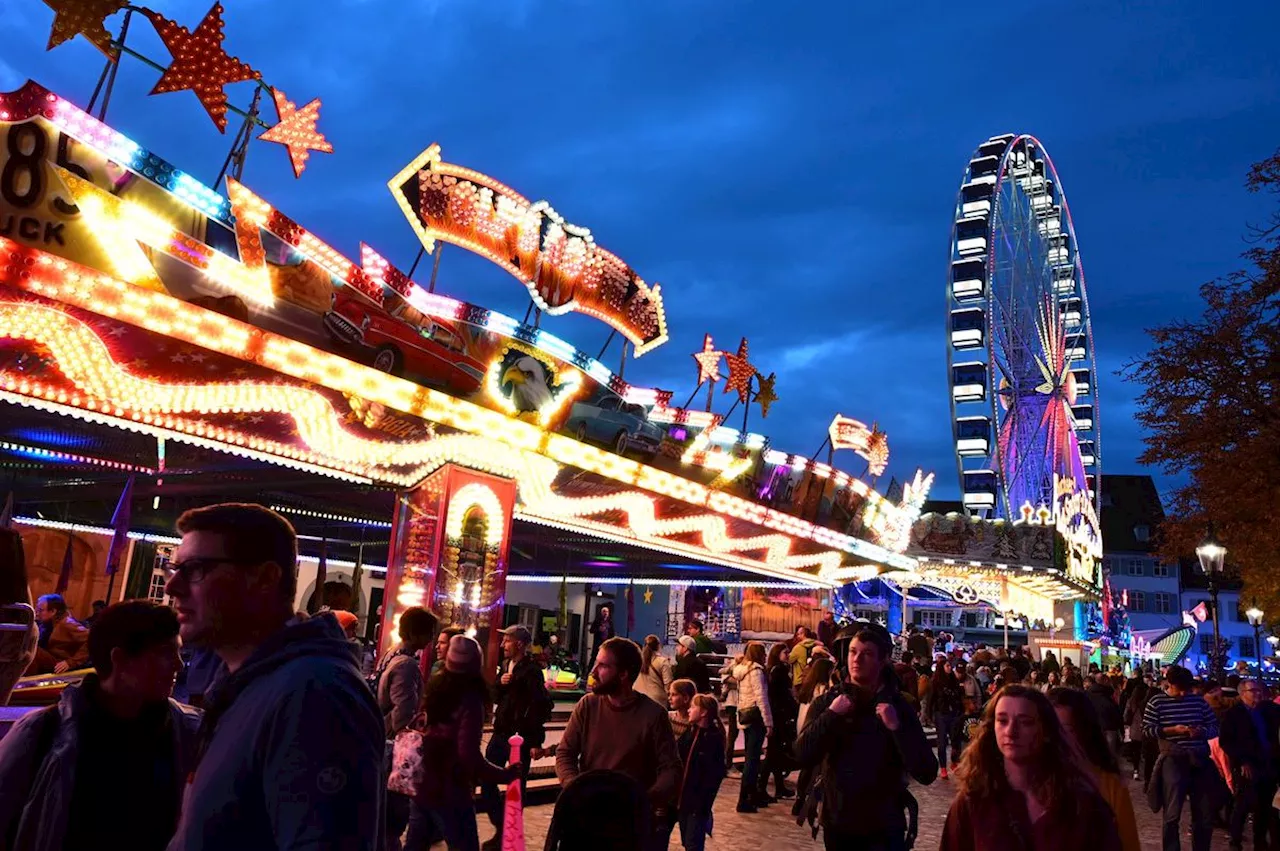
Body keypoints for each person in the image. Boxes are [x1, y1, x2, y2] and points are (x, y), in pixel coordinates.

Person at [162, 503, 384, 850]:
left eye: (196, 569)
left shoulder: (315, 695)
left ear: (265, 578)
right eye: (173, 568)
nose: (172, 586)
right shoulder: (246, 681)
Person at [0, 600, 200, 851]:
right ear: (121, 659)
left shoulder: (191, 732)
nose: (178, 665)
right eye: (165, 653)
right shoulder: (39, 733)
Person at [795, 625, 937, 849]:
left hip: (884, 828)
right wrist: (831, 716)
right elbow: (801, 754)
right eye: (853, 652)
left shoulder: (899, 707)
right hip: (839, 825)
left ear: (883, 661)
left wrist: (896, 728)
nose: (857, 659)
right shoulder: (828, 702)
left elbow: (926, 771)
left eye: (867, 654)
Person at [941, 685, 1123, 851]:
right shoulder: (972, 803)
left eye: (1025, 722)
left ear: (1045, 730)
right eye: (1002, 721)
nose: (1011, 732)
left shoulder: (1083, 805)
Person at [555, 637, 682, 851]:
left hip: (628, 825)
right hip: (588, 816)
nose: (594, 672)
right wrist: (574, 786)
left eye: (603, 665)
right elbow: (565, 753)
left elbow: (671, 768)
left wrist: (642, 800)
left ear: (623, 674)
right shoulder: (587, 706)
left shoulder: (653, 715)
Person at [408, 635, 517, 851]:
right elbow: (467, 755)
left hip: (421, 783)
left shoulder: (435, 691)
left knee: (415, 844)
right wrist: (504, 774)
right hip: (450, 789)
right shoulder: (471, 701)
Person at [480, 625, 550, 851]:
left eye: (507, 641)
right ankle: (501, 826)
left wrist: (536, 740)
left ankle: (509, 832)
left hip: (520, 736)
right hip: (501, 732)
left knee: (516, 786)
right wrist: (501, 683)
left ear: (519, 644)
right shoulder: (505, 667)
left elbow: (539, 706)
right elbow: (495, 695)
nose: (502, 645)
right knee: (487, 779)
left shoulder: (531, 672)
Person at [373, 606, 438, 851]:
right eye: (429, 632)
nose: (432, 638)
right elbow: (403, 713)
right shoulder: (407, 666)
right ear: (416, 633)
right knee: (395, 814)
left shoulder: (390, 654)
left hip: (385, 741)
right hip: (396, 748)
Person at [1048, 688, 1142, 851]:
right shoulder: (1026, 781)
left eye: (1065, 729)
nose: (1054, 736)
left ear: (1083, 732)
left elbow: (1129, 843)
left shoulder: (1108, 784)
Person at [1143, 664, 1221, 851]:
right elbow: (1147, 730)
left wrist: (1200, 731)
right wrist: (1171, 730)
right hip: (1173, 759)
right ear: (1169, 683)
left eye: (1187, 689)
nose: (1184, 694)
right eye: (1180, 689)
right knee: (1172, 814)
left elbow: (1214, 727)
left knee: (1203, 813)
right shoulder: (1157, 702)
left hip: (1199, 758)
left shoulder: (1199, 702)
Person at [1219, 678, 1280, 851]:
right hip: (1247, 765)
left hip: (1268, 764)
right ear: (1242, 694)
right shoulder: (1234, 714)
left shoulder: (1268, 711)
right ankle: (1235, 840)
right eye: (1253, 691)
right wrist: (1241, 761)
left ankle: (1260, 841)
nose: (1257, 694)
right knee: (1243, 805)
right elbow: (1227, 741)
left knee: (1265, 805)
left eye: (1259, 690)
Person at [673, 694, 726, 851]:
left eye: (693, 707)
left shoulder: (712, 738)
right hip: (683, 801)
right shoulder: (689, 733)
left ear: (703, 712)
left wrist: (703, 802)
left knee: (693, 844)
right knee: (687, 841)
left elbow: (714, 775)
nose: (689, 710)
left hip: (697, 804)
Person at [792, 653, 835, 817]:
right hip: (813, 729)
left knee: (806, 767)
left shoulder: (807, 686)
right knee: (813, 768)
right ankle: (807, 801)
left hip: (802, 726)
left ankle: (800, 798)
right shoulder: (822, 690)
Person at [732, 640, 772, 812]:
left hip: (745, 714)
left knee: (751, 757)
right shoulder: (756, 671)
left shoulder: (742, 669)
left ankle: (751, 796)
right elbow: (761, 698)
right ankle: (745, 799)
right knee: (752, 760)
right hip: (756, 718)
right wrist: (768, 722)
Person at [761, 642, 798, 802]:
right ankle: (761, 786)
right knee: (773, 752)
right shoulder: (779, 670)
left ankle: (778, 786)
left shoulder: (774, 669)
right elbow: (780, 694)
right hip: (779, 715)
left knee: (775, 752)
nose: (788, 655)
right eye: (785, 652)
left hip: (777, 714)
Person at [34, 593, 89, 674]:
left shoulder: (67, 623)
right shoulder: (46, 623)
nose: (37, 613)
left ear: (53, 611)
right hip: (50, 659)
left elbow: (93, 639)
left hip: (59, 665)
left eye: (40, 610)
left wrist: (71, 662)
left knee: (34, 650)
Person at [931, 658, 965, 778]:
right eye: (947, 666)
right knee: (942, 742)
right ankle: (943, 767)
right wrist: (931, 714)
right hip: (941, 713)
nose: (949, 668)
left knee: (955, 740)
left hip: (954, 713)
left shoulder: (954, 681)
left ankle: (954, 762)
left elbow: (959, 697)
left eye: (950, 666)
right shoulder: (936, 682)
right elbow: (932, 699)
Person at [1088, 673, 1125, 761]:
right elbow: (1115, 711)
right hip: (1109, 727)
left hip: (1094, 726)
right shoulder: (1109, 694)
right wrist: (1121, 728)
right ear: (1105, 681)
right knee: (1109, 754)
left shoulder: (1088, 693)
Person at [1122, 676, 1152, 782]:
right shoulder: (1149, 702)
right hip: (1147, 729)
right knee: (1147, 753)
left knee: (1136, 751)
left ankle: (1136, 770)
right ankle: (1148, 775)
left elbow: (1126, 715)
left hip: (1134, 728)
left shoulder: (1132, 701)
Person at [635, 634, 674, 706]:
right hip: (657, 700)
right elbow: (668, 684)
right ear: (658, 646)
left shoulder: (637, 661)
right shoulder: (662, 661)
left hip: (638, 699)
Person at [718, 653, 741, 771]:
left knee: (732, 733)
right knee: (732, 733)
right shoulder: (737, 670)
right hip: (735, 703)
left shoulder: (732, 670)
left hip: (733, 702)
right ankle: (727, 761)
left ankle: (727, 760)